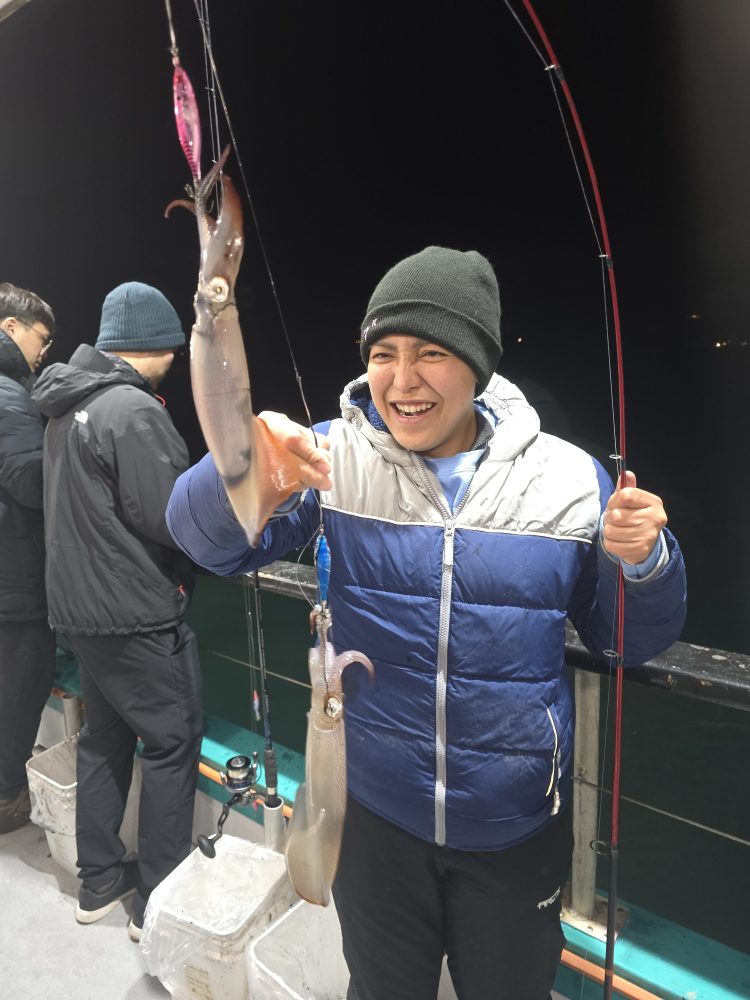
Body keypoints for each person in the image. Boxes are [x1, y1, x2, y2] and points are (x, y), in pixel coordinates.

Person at [165, 247, 687, 1000]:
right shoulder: (327, 455)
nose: (402, 381)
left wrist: (644, 562)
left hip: (515, 830)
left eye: (432, 354)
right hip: (374, 814)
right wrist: (241, 476)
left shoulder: (569, 479)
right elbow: (204, 544)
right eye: (384, 354)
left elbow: (627, 639)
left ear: (478, 364)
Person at [31, 282, 203, 942]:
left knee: (105, 741)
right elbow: (171, 518)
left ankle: (98, 882)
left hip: (80, 613)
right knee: (169, 741)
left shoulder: (65, 403)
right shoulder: (130, 408)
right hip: (134, 614)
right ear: (160, 343)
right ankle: (157, 901)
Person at [0, 283, 57, 835]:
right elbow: (27, 479)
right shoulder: (9, 393)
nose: (44, 352)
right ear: (11, 328)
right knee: (19, 689)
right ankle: (6, 798)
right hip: (14, 582)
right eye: (42, 339)